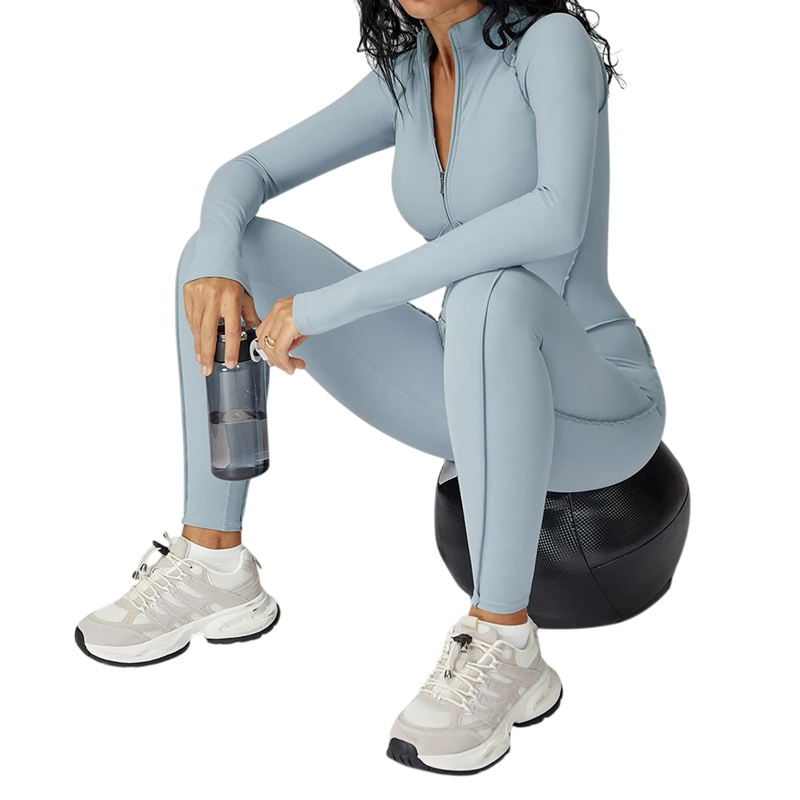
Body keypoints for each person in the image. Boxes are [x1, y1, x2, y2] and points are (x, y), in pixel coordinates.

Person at [74, 0, 666, 775]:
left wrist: (328, 307)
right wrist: (218, 256)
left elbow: (554, 219)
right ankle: (214, 563)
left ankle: (505, 643)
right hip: (471, 384)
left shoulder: (549, 46)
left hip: (597, 405)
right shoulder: (409, 76)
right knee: (227, 255)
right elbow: (246, 174)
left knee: (492, 293)